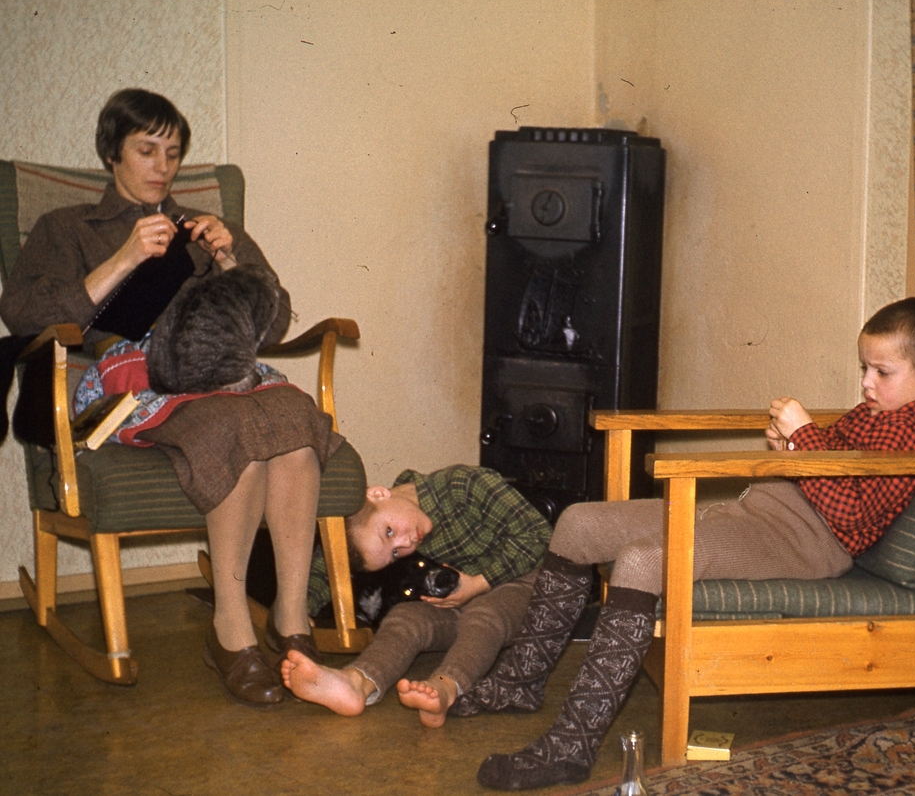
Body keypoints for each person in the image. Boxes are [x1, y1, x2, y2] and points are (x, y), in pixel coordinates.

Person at [459, 296, 915, 790]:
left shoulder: (914, 437)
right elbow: (835, 470)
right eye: (865, 368)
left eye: (881, 372)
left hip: (802, 543)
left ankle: (572, 748)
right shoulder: (881, 412)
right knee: (578, 523)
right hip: (759, 514)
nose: (866, 383)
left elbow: (851, 514)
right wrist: (790, 447)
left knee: (645, 560)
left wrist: (805, 438)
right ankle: (520, 680)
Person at [0, 89, 343, 706]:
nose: (162, 166)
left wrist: (231, 258)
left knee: (294, 414)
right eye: (146, 150)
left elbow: (274, 329)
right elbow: (21, 311)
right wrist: (124, 256)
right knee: (230, 425)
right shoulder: (68, 228)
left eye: (174, 153)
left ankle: (291, 623)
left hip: (223, 372)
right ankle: (231, 632)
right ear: (113, 154)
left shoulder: (208, 232)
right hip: (132, 382)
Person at [281, 464, 552, 728]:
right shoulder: (406, 530)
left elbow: (539, 536)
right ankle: (356, 683)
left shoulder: (463, 485)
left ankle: (446, 686)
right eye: (395, 554)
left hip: (531, 582)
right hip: (464, 595)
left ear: (378, 494)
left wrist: (481, 583)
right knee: (405, 616)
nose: (405, 544)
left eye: (389, 532)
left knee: (484, 613)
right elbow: (325, 566)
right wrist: (299, 608)